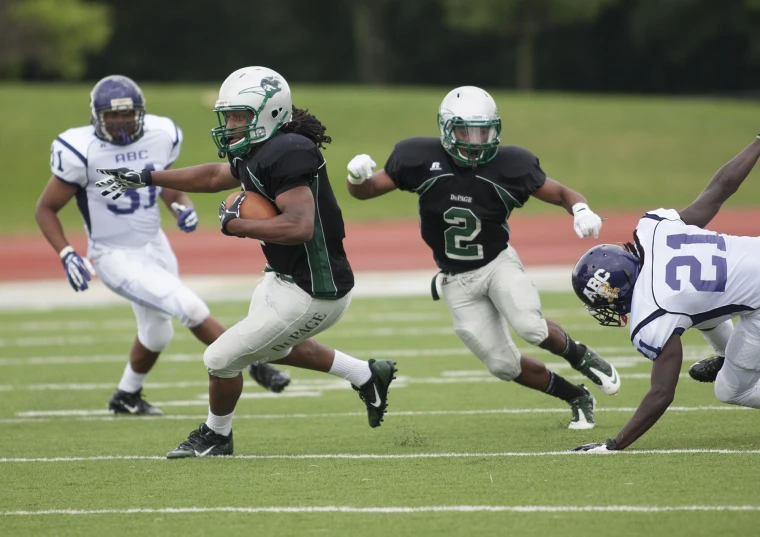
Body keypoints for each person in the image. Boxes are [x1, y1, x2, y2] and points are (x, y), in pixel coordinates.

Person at [96, 66, 397, 458]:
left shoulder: (288, 151)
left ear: (269, 113)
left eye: (239, 116)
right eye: (230, 116)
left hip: (315, 288)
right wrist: (148, 177)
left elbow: (300, 226)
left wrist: (238, 225)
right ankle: (366, 374)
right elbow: (213, 176)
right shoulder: (258, 150)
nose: (231, 125)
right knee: (262, 347)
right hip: (284, 277)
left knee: (219, 358)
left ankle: (216, 435)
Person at [343, 85, 620, 430]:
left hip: (497, 263)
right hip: (455, 279)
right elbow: (366, 191)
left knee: (531, 327)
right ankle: (575, 396)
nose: (474, 141)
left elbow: (562, 192)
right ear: (446, 128)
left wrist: (580, 209)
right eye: (465, 131)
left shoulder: (511, 164)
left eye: (483, 131)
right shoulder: (416, 157)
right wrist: (356, 178)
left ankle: (580, 356)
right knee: (503, 365)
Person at [34, 75, 291, 418]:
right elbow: (45, 208)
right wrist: (67, 253)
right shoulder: (79, 149)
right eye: (113, 115)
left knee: (156, 334)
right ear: (97, 116)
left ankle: (126, 395)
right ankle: (256, 363)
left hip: (155, 244)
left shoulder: (160, 134)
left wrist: (179, 205)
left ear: (140, 113)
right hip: (113, 254)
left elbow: (168, 185)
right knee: (189, 306)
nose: (122, 122)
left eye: (128, 115)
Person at [570, 135, 760, 452]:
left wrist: (614, 445)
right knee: (699, 312)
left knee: (729, 390)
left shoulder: (652, 309)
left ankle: (731, 363)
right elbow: (719, 190)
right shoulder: (654, 230)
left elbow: (662, 393)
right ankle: (728, 356)